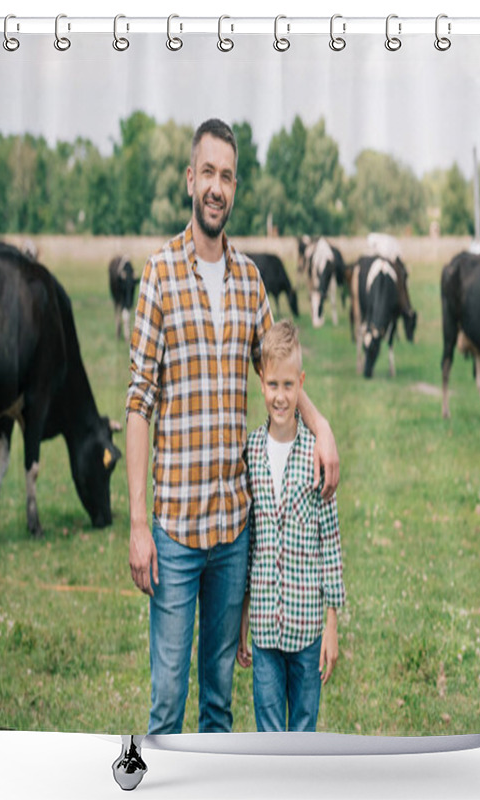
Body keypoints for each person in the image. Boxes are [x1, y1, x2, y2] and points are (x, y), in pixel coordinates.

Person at [126, 118, 339, 735]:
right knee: (167, 701)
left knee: (218, 701)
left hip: (231, 531)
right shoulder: (160, 274)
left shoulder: (249, 282)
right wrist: (139, 523)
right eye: (208, 174)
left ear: (234, 187)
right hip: (174, 531)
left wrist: (319, 424)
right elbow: (138, 403)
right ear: (190, 180)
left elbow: (279, 373)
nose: (216, 188)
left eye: (227, 176)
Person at [236, 320, 345, 732]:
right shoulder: (251, 452)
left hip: (307, 627)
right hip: (264, 625)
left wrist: (331, 625)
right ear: (261, 383)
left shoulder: (317, 455)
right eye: (272, 385)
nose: (280, 396)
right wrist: (244, 614)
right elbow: (248, 546)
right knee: (268, 732)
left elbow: (330, 544)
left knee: (303, 731)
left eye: (288, 385)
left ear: (301, 384)